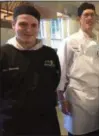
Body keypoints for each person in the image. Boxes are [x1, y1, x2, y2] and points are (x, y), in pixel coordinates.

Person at [0, 5, 61, 136]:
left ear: (38, 27)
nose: (29, 30)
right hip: (13, 126)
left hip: (47, 124)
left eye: (34, 25)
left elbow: (55, 81)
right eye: (23, 24)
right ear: (13, 25)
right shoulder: (3, 54)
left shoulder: (50, 54)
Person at [57, 2, 99, 136]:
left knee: (95, 132)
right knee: (78, 132)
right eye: (86, 15)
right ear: (79, 19)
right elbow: (61, 71)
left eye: (92, 15)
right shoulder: (69, 42)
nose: (89, 18)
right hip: (76, 98)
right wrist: (61, 99)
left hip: (95, 98)